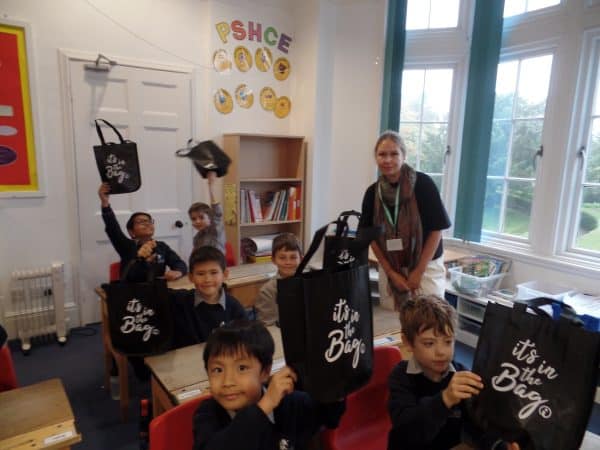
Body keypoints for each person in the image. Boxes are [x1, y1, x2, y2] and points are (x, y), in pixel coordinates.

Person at [388, 295, 520, 450]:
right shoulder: (400, 377)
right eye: (429, 343)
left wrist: (500, 446)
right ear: (408, 343)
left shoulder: (460, 373)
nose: (441, 352)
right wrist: (445, 399)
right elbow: (407, 432)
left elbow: (475, 427)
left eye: (448, 341)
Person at [192, 320, 346, 450]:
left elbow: (329, 415)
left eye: (242, 368)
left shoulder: (291, 403)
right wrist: (265, 406)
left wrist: (334, 386)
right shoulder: (207, 413)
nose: (227, 382)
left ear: (265, 372)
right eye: (217, 370)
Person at [359, 130, 451, 310]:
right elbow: (370, 236)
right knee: (394, 319)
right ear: (376, 158)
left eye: (394, 154)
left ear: (404, 156)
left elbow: (437, 229)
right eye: (382, 154)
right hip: (392, 268)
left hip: (426, 266)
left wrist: (418, 272)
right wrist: (391, 273)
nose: (387, 160)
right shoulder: (372, 193)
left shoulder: (423, 184)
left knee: (430, 318)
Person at [98, 183, 187, 282]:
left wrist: (178, 271)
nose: (147, 223)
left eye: (149, 221)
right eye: (141, 222)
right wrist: (105, 203)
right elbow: (113, 228)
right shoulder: (126, 246)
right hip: (132, 290)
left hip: (156, 289)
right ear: (131, 232)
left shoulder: (161, 247)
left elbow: (179, 263)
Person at [169, 246, 247, 348]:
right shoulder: (179, 301)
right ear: (191, 277)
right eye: (200, 274)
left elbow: (244, 342)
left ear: (225, 274)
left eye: (214, 273)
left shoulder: (234, 308)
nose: (207, 279)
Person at [254, 233, 302, 326]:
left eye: (293, 257)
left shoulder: (308, 284)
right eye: (282, 258)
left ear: (301, 258)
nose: (288, 262)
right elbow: (268, 325)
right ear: (273, 260)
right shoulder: (267, 291)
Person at [189, 171, 225, 253]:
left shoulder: (215, 231)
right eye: (193, 219)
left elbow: (217, 212)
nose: (197, 221)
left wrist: (210, 186)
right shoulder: (197, 238)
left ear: (210, 218)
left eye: (201, 217)